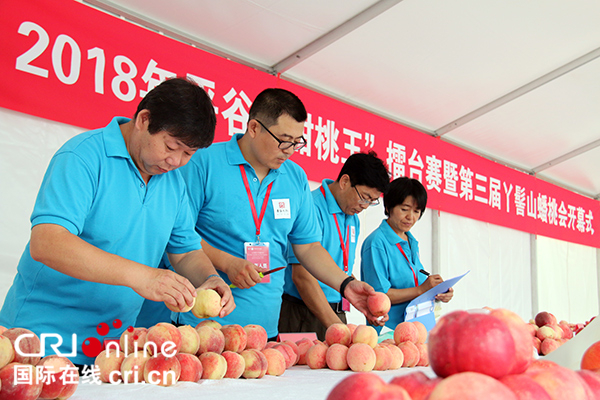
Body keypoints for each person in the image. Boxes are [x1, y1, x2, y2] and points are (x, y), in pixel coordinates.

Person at [0, 77, 235, 368]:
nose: (175, 161)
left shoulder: (173, 183)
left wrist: (209, 278)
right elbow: (48, 242)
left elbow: (185, 250)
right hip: (41, 341)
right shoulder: (83, 156)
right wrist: (144, 277)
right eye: (171, 146)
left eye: (188, 154)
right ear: (144, 120)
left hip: (111, 352)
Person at [173, 88, 384, 340]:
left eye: (297, 142)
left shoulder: (295, 177)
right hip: (203, 326)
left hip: (266, 330)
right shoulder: (203, 164)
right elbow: (177, 236)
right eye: (284, 139)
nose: (290, 149)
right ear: (253, 128)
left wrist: (345, 283)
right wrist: (227, 263)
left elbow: (308, 248)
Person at [278, 152, 389, 340]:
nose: (365, 206)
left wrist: (360, 295)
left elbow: (339, 267)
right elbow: (302, 277)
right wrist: (336, 326)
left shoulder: (352, 219)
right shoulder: (311, 207)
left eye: (372, 201)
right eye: (364, 197)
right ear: (345, 181)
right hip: (304, 312)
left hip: (336, 312)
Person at [360, 177, 453, 333]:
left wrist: (438, 290)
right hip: (388, 331)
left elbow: (418, 280)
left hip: (415, 328)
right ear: (389, 207)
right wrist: (421, 290)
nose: (411, 217)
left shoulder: (411, 241)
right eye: (404, 209)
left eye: (416, 211)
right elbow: (378, 295)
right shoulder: (376, 242)